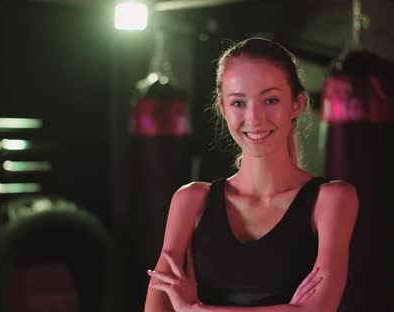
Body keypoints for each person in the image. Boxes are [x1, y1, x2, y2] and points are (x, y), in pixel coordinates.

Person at [144, 37, 358, 311]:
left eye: (270, 100)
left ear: (297, 104)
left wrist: (195, 309)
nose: (255, 118)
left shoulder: (332, 200)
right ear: (222, 109)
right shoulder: (190, 201)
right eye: (238, 103)